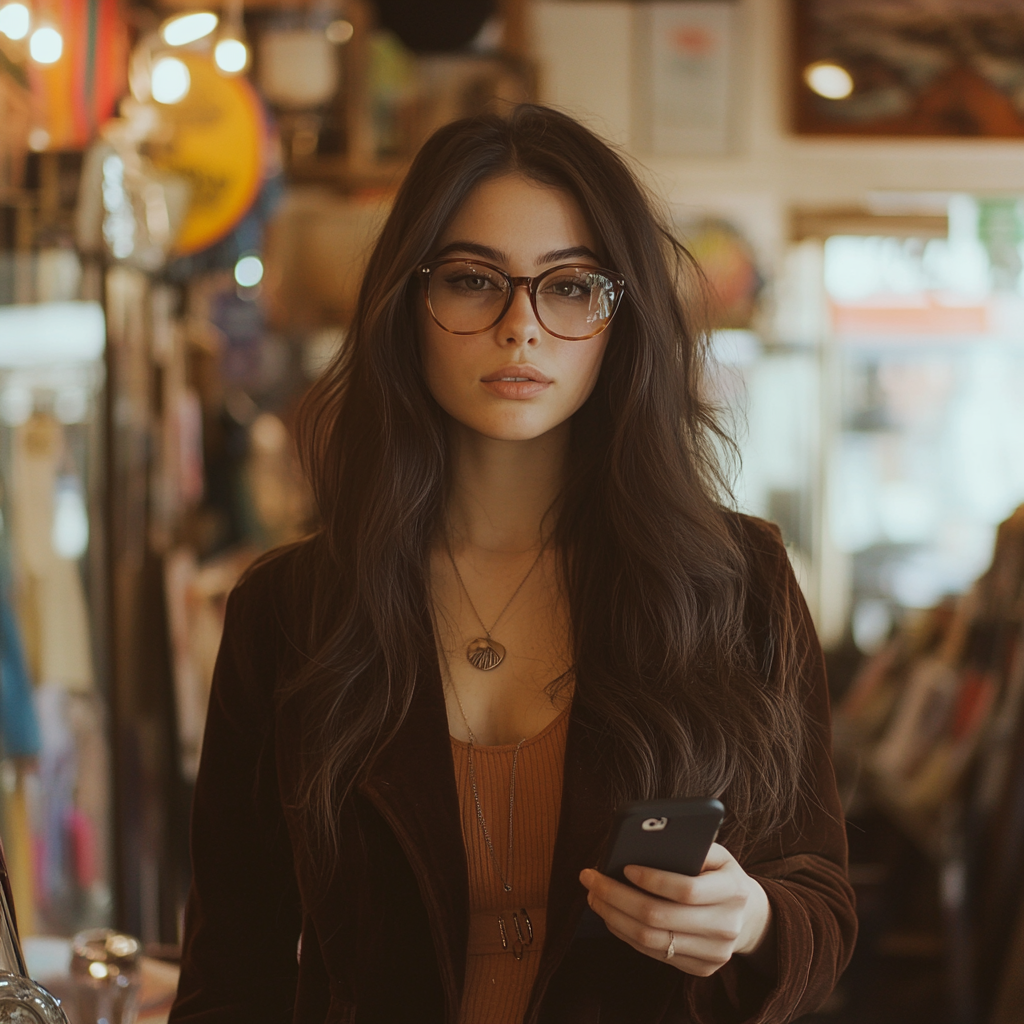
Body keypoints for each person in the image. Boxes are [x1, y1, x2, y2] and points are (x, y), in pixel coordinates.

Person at [169, 105, 856, 1024]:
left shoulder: (735, 584)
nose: (520, 326)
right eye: (471, 280)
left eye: (571, 287)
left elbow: (821, 899)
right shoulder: (291, 609)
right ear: (406, 302)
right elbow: (232, 966)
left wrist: (755, 917)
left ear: (622, 317)